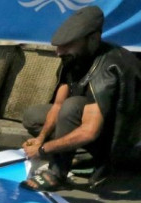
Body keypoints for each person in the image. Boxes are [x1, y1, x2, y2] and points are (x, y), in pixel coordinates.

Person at [20, 6, 141, 191]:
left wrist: (44, 150)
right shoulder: (74, 59)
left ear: (92, 39)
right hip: (95, 126)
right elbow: (57, 105)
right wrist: (41, 139)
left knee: (73, 106)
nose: (59, 52)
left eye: (67, 45)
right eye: (59, 45)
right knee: (34, 116)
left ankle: (56, 174)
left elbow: (89, 132)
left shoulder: (108, 68)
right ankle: (84, 157)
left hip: (122, 139)